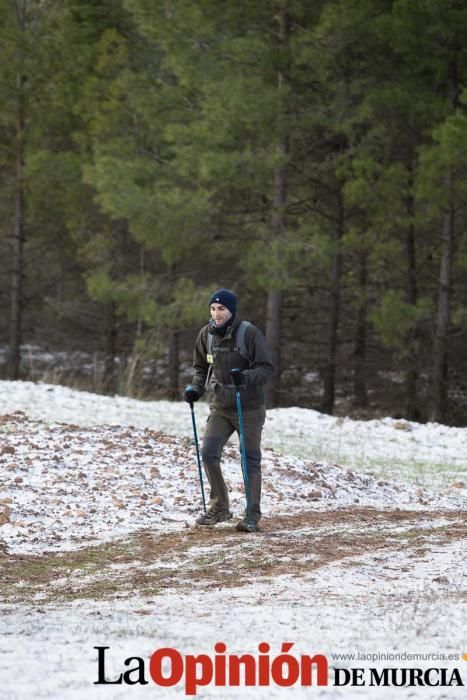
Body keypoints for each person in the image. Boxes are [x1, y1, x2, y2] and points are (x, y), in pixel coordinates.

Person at [184, 288, 273, 532]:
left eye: (221, 309)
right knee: (209, 452)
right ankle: (220, 507)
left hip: (250, 409)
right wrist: (195, 389)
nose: (216, 313)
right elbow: (201, 368)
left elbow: (266, 369)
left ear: (231, 310)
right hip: (221, 406)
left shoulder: (249, 333)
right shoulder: (206, 334)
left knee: (249, 459)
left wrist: (243, 378)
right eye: (213, 308)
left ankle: (252, 515)